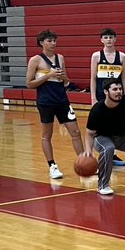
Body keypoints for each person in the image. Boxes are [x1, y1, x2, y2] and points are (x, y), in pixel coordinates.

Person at [26, 30, 84, 179]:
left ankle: (83, 162)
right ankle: (52, 165)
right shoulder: (35, 60)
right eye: (49, 41)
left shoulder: (60, 58)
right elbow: (29, 84)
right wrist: (48, 75)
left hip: (62, 100)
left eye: (54, 40)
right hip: (45, 101)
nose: (53, 43)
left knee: (76, 132)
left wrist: (64, 77)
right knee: (47, 135)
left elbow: (66, 81)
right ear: (41, 42)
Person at [89, 28, 125, 167]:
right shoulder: (96, 56)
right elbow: (93, 78)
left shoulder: (122, 56)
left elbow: (123, 78)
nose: (109, 40)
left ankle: (113, 154)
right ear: (101, 40)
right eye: (106, 37)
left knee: (115, 125)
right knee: (100, 125)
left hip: (116, 96)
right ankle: (102, 153)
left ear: (115, 39)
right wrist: (93, 97)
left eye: (111, 37)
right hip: (101, 95)